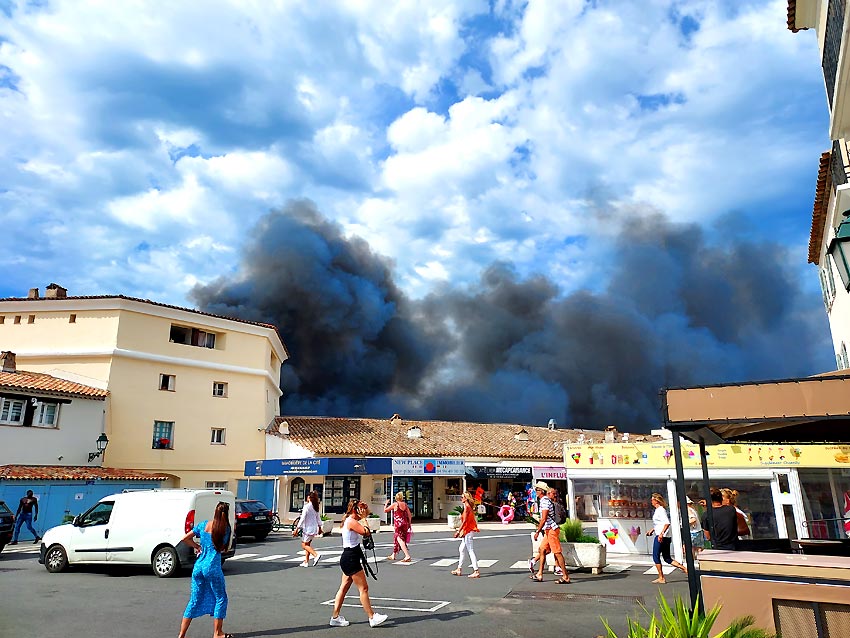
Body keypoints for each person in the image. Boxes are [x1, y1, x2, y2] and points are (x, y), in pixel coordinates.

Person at [329, 500, 388, 628]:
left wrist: (364, 513)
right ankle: (372, 617)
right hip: (351, 558)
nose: (364, 510)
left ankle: (335, 617)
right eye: (361, 508)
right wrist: (364, 519)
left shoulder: (350, 520)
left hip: (349, 557)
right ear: (356, 509)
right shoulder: (351, 521)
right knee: (363, 588)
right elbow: (366, 532)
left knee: (343, 588)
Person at [178, 502, 233, 638]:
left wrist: (197, 546)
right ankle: (217, 633)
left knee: (194, 600)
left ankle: (181, 635)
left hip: (199, 566)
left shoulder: (203, 525)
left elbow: (185, 538)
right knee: (221, 598)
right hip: (212, 567)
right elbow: (223, 548)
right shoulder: (224, 530)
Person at [532, 484, 570, 584]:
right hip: (548, 530)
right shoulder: (544, 501)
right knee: (542, 550)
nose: (536, 491)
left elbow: (544, 518)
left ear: (542, 491)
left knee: (557, 552)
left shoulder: (544, 501)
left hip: (551, 530)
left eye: (537, 490)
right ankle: (539, 574)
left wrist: (537, 531)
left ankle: (565, 576)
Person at [646, 493, 687, 584]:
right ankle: (684, 568)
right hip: (665, 536)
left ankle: (661, 577)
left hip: (662, 536)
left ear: (656, 500)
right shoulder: (659, 510)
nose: (651, 501)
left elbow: (666, 523)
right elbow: (660, 523)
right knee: (667, 557)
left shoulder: (660, 510)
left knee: (656, 556)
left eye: (652, 500)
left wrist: (661, 534)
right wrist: (652, 530)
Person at [450, 491, 480, 578]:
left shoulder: (467, 507)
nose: (461, 498)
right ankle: (459, 569)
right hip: (467, 531)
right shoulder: (467, 507)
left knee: (470, 550)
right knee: (461, 549)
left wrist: (458, 531)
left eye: (462, 497)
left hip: (469, 531)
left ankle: (476, 570)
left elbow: (465, 521)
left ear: (466, 498)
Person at [294, 490, 322, 567]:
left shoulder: (307, 506)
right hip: (314, 528)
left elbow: (302, 518)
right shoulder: (315, 506)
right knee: (308, 544)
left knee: (304, 545)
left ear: (309, 497)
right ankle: (306, 561)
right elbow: (318, 518)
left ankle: (316, 555)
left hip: (308, 528)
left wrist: (297, 528)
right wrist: (320, 527)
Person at [384, 492, 412, 562]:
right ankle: (393, 554)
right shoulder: (405, 504)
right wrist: (409, 523)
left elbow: (385, 510)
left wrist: (386, 504)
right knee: (398, 539)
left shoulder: (395, 504)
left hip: (398, 525)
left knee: (399, 539)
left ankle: (407, 555)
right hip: (405, 524)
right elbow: (409, 515)